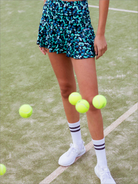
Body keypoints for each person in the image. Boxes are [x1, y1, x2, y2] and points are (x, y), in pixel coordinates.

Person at [37, 0, 116, 183]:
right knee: (66, 89)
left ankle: (102, 166)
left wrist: (100, 33)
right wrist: (44, 27)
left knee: (91, 100)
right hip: (52, 19)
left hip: (78, 21)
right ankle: (77, 145)